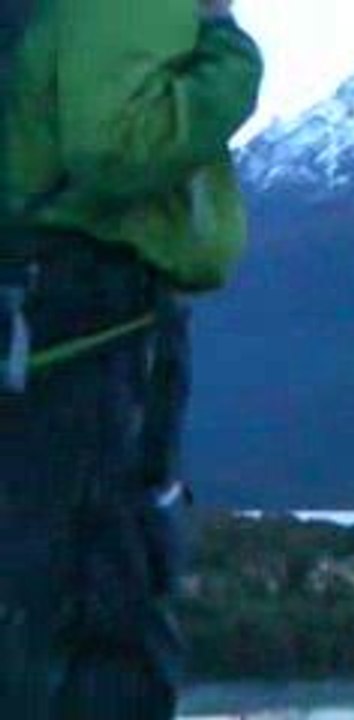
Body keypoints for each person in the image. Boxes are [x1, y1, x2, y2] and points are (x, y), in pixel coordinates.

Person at [0, 1, 262, 718]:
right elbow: (116, 147)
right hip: (90, 325)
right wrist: (233, 58)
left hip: (40, 322)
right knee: (101, 603)